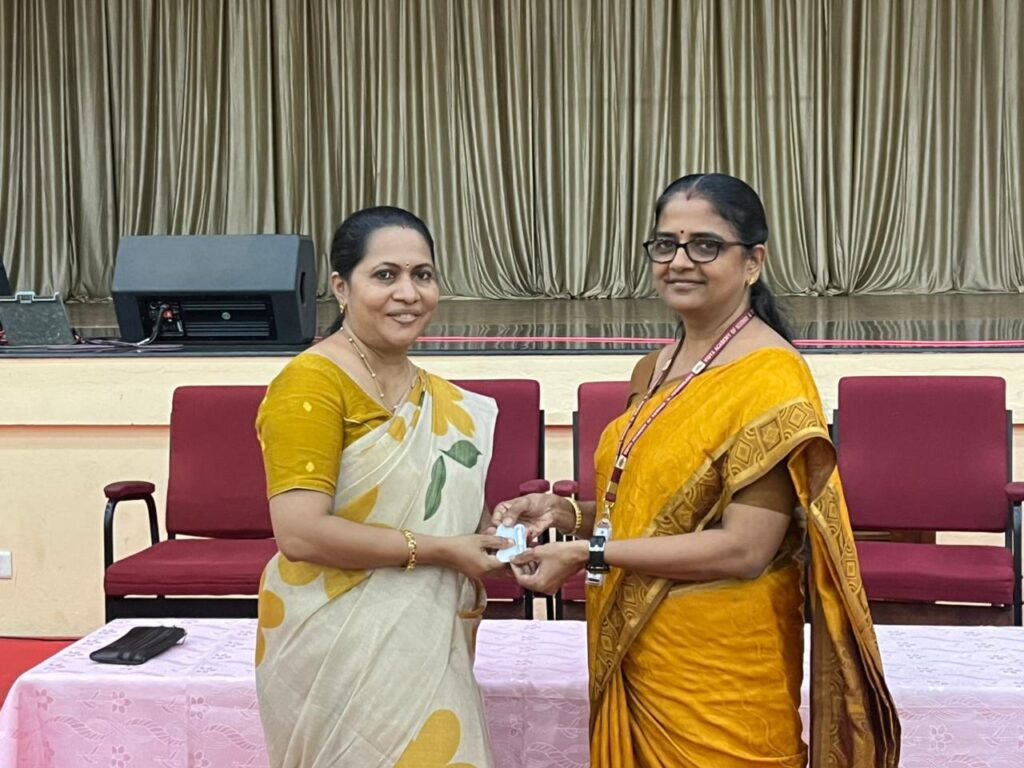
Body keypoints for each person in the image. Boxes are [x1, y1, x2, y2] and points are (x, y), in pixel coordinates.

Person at [494, 174, 901, 767]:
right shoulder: (653, 369)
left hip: (722, 677)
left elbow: (744, 549)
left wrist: (589, 554)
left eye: (705, 245)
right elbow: (651, 512)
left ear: (753, 261)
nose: (680, 261)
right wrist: (568, 515)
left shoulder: (770, 379)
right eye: (666, 244)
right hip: (640, 653)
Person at [255, 206, 507, 767]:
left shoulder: (442, 399)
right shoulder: (310, 384)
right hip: (335, 644)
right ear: (342, 287)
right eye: (385, 275)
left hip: (425, 640)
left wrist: (506, 531)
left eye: (423, 275)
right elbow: (300, 533)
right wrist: (441, 550)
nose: (408, 293)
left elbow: (457, 519)